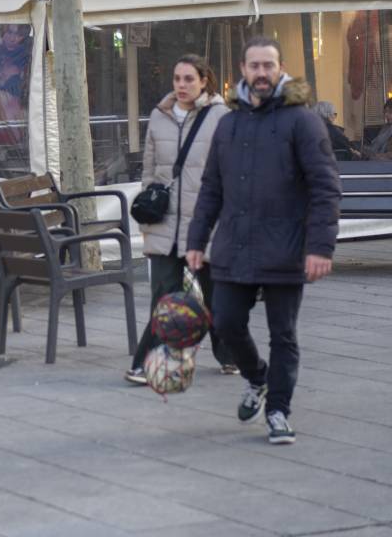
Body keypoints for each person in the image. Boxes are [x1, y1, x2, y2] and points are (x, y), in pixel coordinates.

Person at [186, 36, 341, 445]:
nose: (260, 73)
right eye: (253, 66)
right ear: (242, 69)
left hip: (285, 248)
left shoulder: (302, 121)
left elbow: (326, 188)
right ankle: (257, 379)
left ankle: (278, 411)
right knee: (226, 322)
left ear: (280, 68)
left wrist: (320, 247)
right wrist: (196, 239)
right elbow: (211, 189)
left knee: (283, 335)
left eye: (268, 66)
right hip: (234, 248)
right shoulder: (229, 123)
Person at [125, 55, 235, 385]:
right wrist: (149, 203)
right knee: (163, 297)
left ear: (205, 81)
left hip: (205, 225)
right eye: (177, 79)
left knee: (215, 296)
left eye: (189, 79)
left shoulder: (220, 116)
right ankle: (145, 364)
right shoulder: (159, 117)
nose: (182, 85)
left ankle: (230, 355)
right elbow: (148, 168)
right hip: (165, 225)